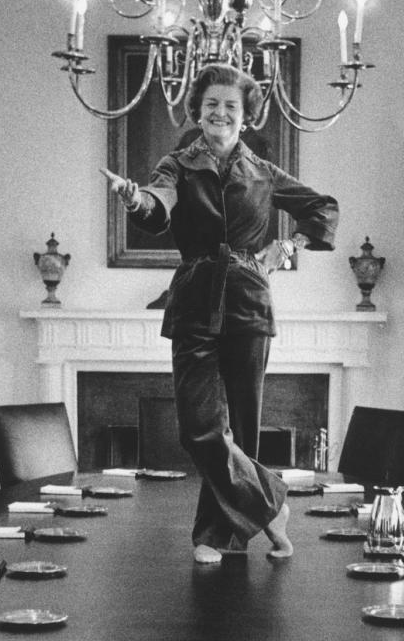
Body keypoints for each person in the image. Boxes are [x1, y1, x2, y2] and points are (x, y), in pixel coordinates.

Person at [102, 63, 338, 564]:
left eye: (231, 105)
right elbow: (157, 204)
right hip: (193, 303)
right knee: (199, 428)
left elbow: (323, 208)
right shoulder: (177, 165)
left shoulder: (265, 172)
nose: (221, 113)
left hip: (249, 303)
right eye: (212, 104)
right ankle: (271, 504)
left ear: (246, 116)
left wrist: (288, 247)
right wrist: (134, 198)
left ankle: (218, 535)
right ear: (198, 111)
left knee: (244, 429)